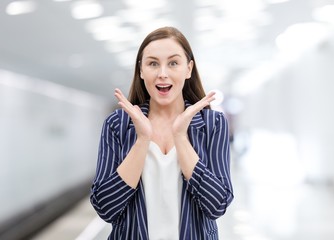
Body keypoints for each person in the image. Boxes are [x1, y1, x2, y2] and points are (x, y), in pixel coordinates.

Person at [90, 26, 234, 239]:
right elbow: (105, 208)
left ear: (188, 69)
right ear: (141, 70)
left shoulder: (213, 124)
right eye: (153, 63)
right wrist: (142, 140)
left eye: (173, 63)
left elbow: (217, 206)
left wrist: (181, 138)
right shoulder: (117, 125)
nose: (162, 74)